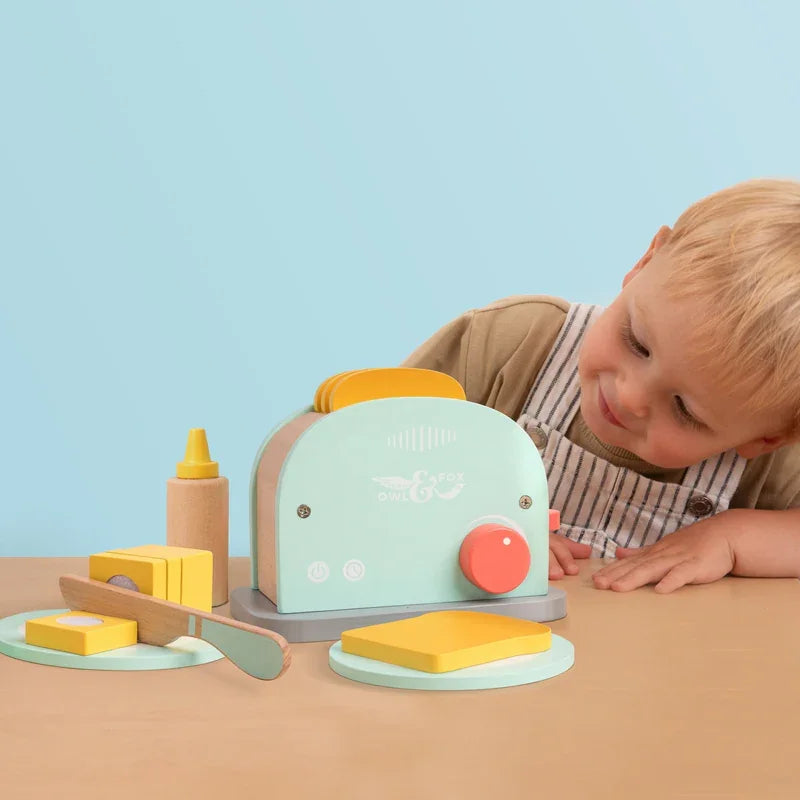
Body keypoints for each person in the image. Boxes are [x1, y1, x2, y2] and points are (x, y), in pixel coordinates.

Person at [401, 178, 800, 593]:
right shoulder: (510, 343)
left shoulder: (773, 452)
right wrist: (472, 518)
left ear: (768, 437)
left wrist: (732, 537)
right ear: (645, 262)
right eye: (636, 342)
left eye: (684, 409)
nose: (629, 397)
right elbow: (354, 454)